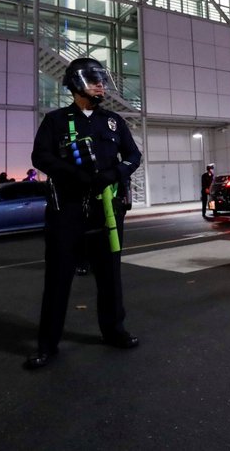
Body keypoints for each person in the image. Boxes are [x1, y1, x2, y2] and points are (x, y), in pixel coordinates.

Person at [25, 58, 142, 370]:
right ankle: (48, 344)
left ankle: (114, 331)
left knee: (110, 276)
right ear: (76, 84)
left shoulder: (114, 121)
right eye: (94, 80)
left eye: (102, 80)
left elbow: (134, 155)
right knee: (58, 278)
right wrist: (73, 175)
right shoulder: (56, 120)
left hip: (107, 211)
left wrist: (116, 172)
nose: (100, 85)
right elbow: (40, 156)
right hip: (68, 210)